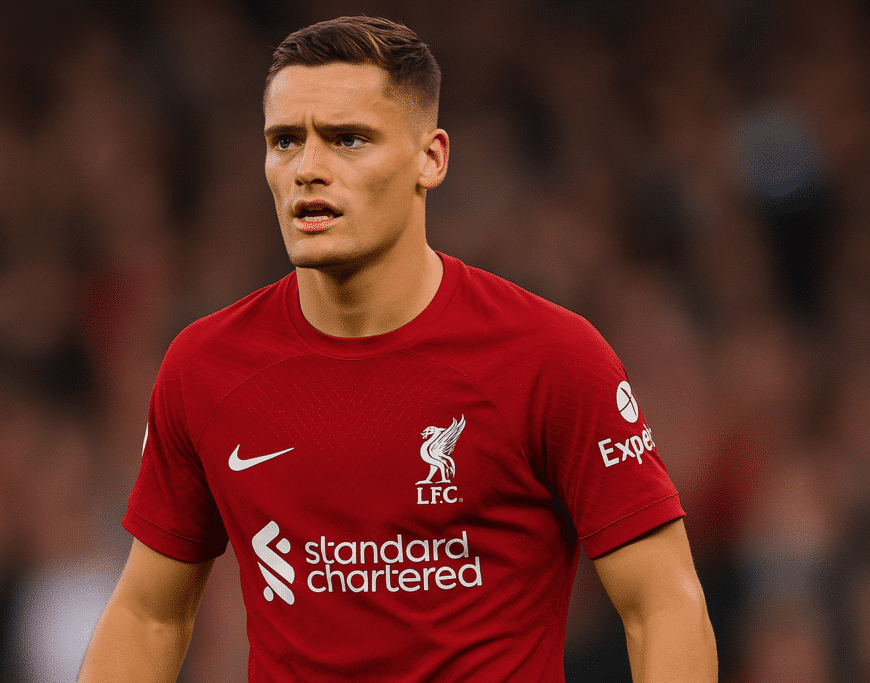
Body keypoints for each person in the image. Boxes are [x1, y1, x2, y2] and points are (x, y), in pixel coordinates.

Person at [79, 16, 718, 682]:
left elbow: (663, 603)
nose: (307, 169)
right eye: (285, 141)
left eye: (347, 139)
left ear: (430, 158)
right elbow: (149, 616)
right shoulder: (205, 367)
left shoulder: (552, 356)